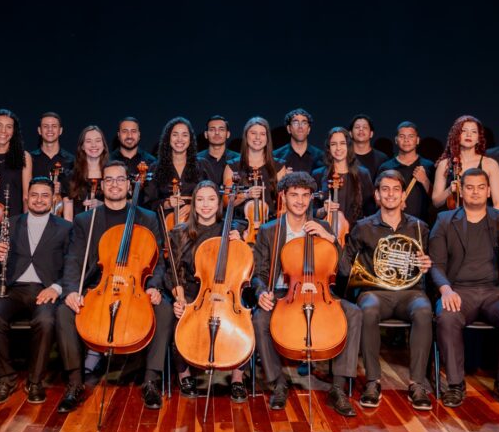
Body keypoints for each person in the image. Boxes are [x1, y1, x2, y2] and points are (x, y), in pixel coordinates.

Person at [55, 160, 174, 413]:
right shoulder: (86, 219)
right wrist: (71, 292)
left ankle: (151, 381)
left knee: (163, 310)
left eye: (120, 179)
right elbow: (73, 259)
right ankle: (75, 383)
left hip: (136, 287)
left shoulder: (148, 218)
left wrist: (153, 287)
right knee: (64, 312)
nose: (114, 185)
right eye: (108, 180)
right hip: (99, 286)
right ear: (101, 186)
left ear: (130, 185)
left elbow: (158, 263)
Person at [250, 171, 362, 417]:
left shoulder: (321, 227)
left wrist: (331, 239)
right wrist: (261, 292)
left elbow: (344, 270)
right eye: (294, 195)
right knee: (260, 319)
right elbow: (257, 272)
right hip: (283, 292)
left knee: (353, 313)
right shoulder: (270, 231)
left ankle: (338, 388)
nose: (300, 201)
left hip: (321, 292)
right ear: (283, 197)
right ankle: (277, 382)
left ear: (312, 198)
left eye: (305, 195)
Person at [429, 168, 499, 410]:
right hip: (458, 290)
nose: (475, 192)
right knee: (446, 316)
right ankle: (455, 384)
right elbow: (435, 264)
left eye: (480, 187)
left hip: (496, 292)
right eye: (469, 187)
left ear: (488, 191)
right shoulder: (445, 221)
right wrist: (445, 290)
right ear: (461, 191)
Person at [340, 170, 434, 410]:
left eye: (395, 190)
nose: (390, 194)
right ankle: (373, 381)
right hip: (374, 292)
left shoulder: (419, 228)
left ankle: (417, 383)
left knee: (424, 311)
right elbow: (344, 266)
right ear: (377, 195)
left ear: (403, 196)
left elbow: (430, 262)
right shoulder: (362, 227)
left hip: (410, 293)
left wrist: (426, 263)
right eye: (385, 190)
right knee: (367, 310)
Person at [0, 177, 73, 405]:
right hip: (12, 288)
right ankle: (5, 378)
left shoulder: (66, 228)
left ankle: (35, 381)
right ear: (26, 197)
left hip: (46, 289)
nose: (39, 200)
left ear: (53, 200)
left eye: (45, 196)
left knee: (45, 321)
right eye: (34, 195)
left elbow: (74, 266)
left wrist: (57, 287)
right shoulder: (9, 223)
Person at [165, 181, 250, 400]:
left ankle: (237, 379)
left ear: (219, 203)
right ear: (193, 204)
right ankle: (184, 375)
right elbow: (173, 273)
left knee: (245, 322)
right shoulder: (179, 233)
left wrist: (239, 241)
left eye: (211, 199)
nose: (206, 205)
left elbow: (245, 265)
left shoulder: (231, 230)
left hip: (226, 294)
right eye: (200, 199)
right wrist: (180, 299)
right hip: (194, 295)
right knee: (180, 321)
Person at [431, 115, 499, 211]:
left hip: (482, 221)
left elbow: (498, 203)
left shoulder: (490, 164)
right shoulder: (445, 164)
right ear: (457, 135)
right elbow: (436, 202)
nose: (468, 135)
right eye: (464, 131)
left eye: (473, 132)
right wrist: (449, 190)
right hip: (452, 221)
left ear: (478, 138)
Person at [313, 127, 375, 224]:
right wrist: (322, 210)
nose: (338, 148)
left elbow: (371, 210)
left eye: (342, 143)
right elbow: (311, 211)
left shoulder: (363, 174)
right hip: (326, 234)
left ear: (348, 146)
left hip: (357, 233)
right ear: (329, 148)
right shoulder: (318, 174)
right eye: (333, 144)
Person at [145, 117, 201, 223]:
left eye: (184, 135)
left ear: (190, 139)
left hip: (195, 222)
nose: (180, 139)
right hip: (165, 224)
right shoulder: (155, 167)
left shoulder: (202, 165)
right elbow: (148, 203)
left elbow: (213, 196)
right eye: (175, 135)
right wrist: (167, 204)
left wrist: (192, 206)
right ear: (168, 138)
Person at [377, 121, 434, 222]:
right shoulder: (386, 167)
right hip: (392, 222)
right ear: (396, 140)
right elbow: (377, 198)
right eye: (402, 136)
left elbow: (436, 200)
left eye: (411, 136)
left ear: (417, 140)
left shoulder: (428, 166)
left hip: (423, 223)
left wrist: (425, 180)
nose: (406, 140)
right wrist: (393, 205)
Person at [65, 125, 108, 219]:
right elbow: (68, 215)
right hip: (79, 231)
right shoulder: (71, 176)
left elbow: (121, 207)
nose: (94, 145)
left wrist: (102, 205)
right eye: (88, 141)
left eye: (98, 141)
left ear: (104, 145)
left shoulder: (111, 176)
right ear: (82, 146)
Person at [273, 108, 323, 174]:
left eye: (304, 123)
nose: (300, 127)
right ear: (289, 129)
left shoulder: (321, 157)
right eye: (296, 123)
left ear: (308, 129)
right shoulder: (276, 156)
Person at [196, 115, 239, 186]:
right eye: (212, 129)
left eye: (221, 129)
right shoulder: (196, 159)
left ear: (228, 134)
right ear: (206, 134)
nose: (217, 133)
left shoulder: (238, 159)